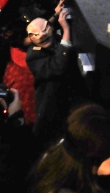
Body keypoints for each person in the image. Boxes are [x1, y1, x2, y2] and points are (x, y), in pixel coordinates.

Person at [26, 10, 77, 146]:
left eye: (44, 30)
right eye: (36, 34)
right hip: (52, 106)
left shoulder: (54, 38)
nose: (42, 35)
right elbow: (58, 66)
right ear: (31, 38)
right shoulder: (33, 56)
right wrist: (66, 30)